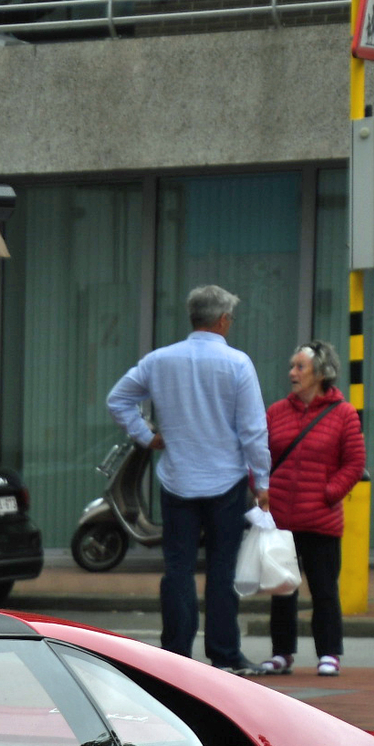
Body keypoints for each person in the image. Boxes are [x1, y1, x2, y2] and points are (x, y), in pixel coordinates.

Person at [107, 286, 270, 670]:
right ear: (224, 320)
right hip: (226, 480)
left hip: (177, 479)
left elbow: (119, 399)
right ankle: (225, 653)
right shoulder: (237, 364)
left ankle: (177, 654)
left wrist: (147, 436)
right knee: (222, 568)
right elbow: (253, 429)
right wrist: (261, 480)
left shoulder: (160, 360)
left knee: (177, 568)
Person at [250, 341, 364, 678]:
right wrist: (259, 488)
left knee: (324, 590)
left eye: (300, 367)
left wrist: (329, 493)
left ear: (321, 372)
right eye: (292, 366)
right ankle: (281, 653)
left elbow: (354, 463)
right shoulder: (276, 412)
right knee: (281, 588)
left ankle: (329, 652)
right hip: (281, 519)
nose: (292, 373)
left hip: (320, 519)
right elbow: (259, 456)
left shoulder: (342, 413)